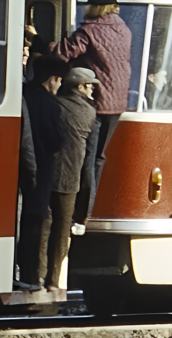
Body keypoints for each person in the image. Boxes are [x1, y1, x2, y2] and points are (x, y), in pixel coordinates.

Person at [50, 0, 132, 219]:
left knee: (85, 157)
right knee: (98, 158)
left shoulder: (89, 31)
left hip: (95, 102)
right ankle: (87, 212)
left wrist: (39, 41)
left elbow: (63, 53)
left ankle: (78, 212)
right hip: (117, 103)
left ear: (96, 6)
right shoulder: (124, 29)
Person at [19, 55, 70, 288]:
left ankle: (17, 269)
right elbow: (58, 141)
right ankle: (31, 275)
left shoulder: (23, 95)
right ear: (53, 79)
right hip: (41, 171)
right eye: (59, 81)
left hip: (18, 168)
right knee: (36, 220)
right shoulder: (52, 105)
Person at [45, 68, 99, 291]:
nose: (93, 89)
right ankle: (53, 279)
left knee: (42, 227)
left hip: (45, 175)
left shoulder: (53, 104)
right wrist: (85, 211)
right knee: (61, 231)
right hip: (69, 179)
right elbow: (90, 163)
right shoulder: (87, 112)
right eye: (90, 85)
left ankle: (35, 275)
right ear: (79, 87)